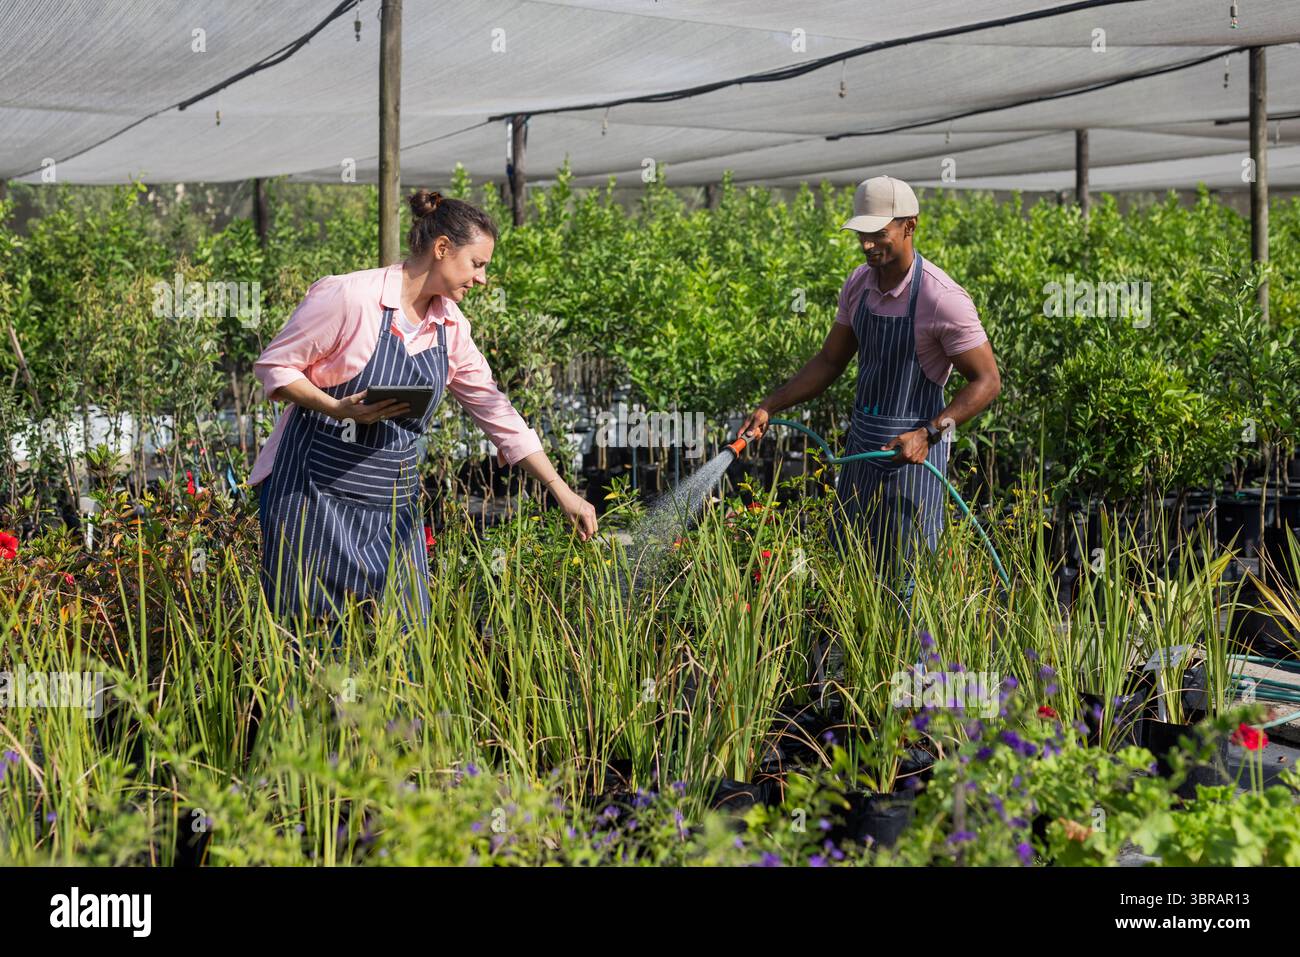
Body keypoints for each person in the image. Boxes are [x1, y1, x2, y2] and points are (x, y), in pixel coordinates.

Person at [250, 189, 597, 634]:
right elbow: (275, 367)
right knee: (317, 643)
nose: (483, 279)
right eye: (478, 264)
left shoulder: (450, 326)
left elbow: (496, 411)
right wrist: (337, 408)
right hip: (314, 499)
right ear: (442, 249)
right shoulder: (351, 298)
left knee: (406, 644)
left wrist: (560, 490)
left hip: (393, 508)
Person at [738, 175, 1000, 587]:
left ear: (909, 226)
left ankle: (916, 655)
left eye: (878, 233)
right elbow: (829, 360)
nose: (866, 245)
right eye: (861, 233)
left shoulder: (941, 298)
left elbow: (986, 382)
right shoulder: (859, 284)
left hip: (915, 461)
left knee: (906, 583)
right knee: (849, 576)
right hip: (862, 452)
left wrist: (929, 433)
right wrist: (772, 405)